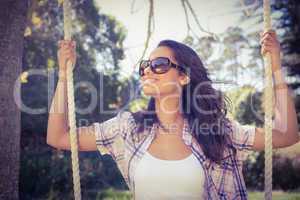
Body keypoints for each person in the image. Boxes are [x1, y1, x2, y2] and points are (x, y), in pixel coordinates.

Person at [47, 30, 299, 199]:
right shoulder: (128, 128)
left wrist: (275, 68)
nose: (148, 71)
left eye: (159, 64)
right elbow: (58, 137)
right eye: (145, 66)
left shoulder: (218, 132)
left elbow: (286, 135)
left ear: (184, 76)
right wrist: (62, 75)